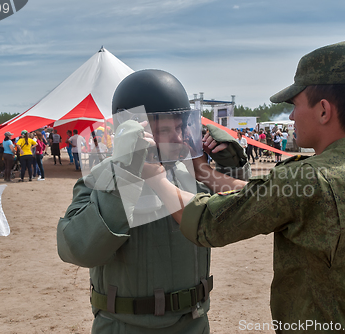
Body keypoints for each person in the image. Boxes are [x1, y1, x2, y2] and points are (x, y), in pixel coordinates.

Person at [141, 39, 345, 333]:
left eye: (295, 105)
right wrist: (205, 173)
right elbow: (267, 197)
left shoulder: (308, 177)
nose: (290, 116)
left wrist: (156, 179)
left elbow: (207, 223)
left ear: (324, 111)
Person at [57, 69, 247, 333]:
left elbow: (241, 205)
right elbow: (78, 249)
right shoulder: (99, 178)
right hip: (126, 326)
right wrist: (123, 177)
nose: (179, 139)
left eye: (181, 128)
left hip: (193, 323)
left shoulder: (186, 174)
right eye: (167, 129)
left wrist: (230, 160)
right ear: (134, 129)